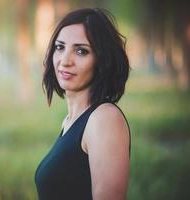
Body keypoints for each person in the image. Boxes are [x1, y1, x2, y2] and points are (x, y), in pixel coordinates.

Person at [34, 8, 131, 200]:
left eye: (81, 51)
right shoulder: (70, 122)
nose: (65, 61)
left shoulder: (104, 119)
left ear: (102, 60)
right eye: (60, 47)